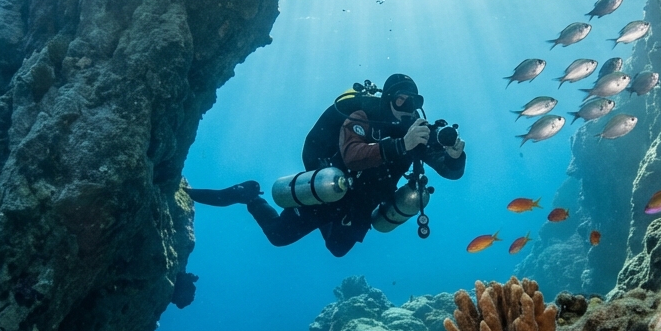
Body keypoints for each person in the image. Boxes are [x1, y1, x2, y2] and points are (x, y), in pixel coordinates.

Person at [188, 74, 466, 257]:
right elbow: (351, 154)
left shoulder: (418, 131)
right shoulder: (364, 115)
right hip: (332, 189)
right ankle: (249, 195)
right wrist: (400, 145)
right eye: (400, 99)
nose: (406, 106)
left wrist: (455, 156)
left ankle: (328, 221)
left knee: (337, 248)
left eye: (413, 101)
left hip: (362, 203)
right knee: (278, 237)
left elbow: (450, 171)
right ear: (387, 99)